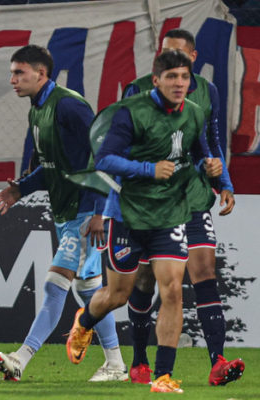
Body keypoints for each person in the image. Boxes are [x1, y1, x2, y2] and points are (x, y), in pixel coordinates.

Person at [65, 50, 224, 393]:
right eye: (172, 78)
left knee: (172, 293)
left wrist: (211, 171)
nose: (179, 84)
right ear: (156, 80)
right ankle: (85, 321)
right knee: (117, 295)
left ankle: (163, 376)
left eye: (184, 78)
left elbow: (199, 156)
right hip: (127, 215)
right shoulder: (130, 114)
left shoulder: (194, 114)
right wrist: (148, 170)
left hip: (171, 215)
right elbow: (105, 160)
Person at [0, 45, 126, 383]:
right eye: (12, 72)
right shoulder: (38, 110)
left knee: (55, 286)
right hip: (67, 211)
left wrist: (98, 210)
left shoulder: (69, 106)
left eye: (19, 73)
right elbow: (50, 167)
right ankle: (116, 365)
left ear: (41, 73)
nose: (13, 80)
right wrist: (20, 188)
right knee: (91, 291)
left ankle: (20, 359)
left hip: (84, 211)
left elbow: (102, 155)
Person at [121, 28, 244, 386]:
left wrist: (224, 181)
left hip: (190, 196)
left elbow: (212, 141)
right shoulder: (137, 89)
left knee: (204, 270)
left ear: (193, 58)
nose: (171, 63)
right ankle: (140, 359)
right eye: (165, 55)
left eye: (179, 56)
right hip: (151, 201)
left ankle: (217, 361)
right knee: (145, 279)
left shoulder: (207, 92)